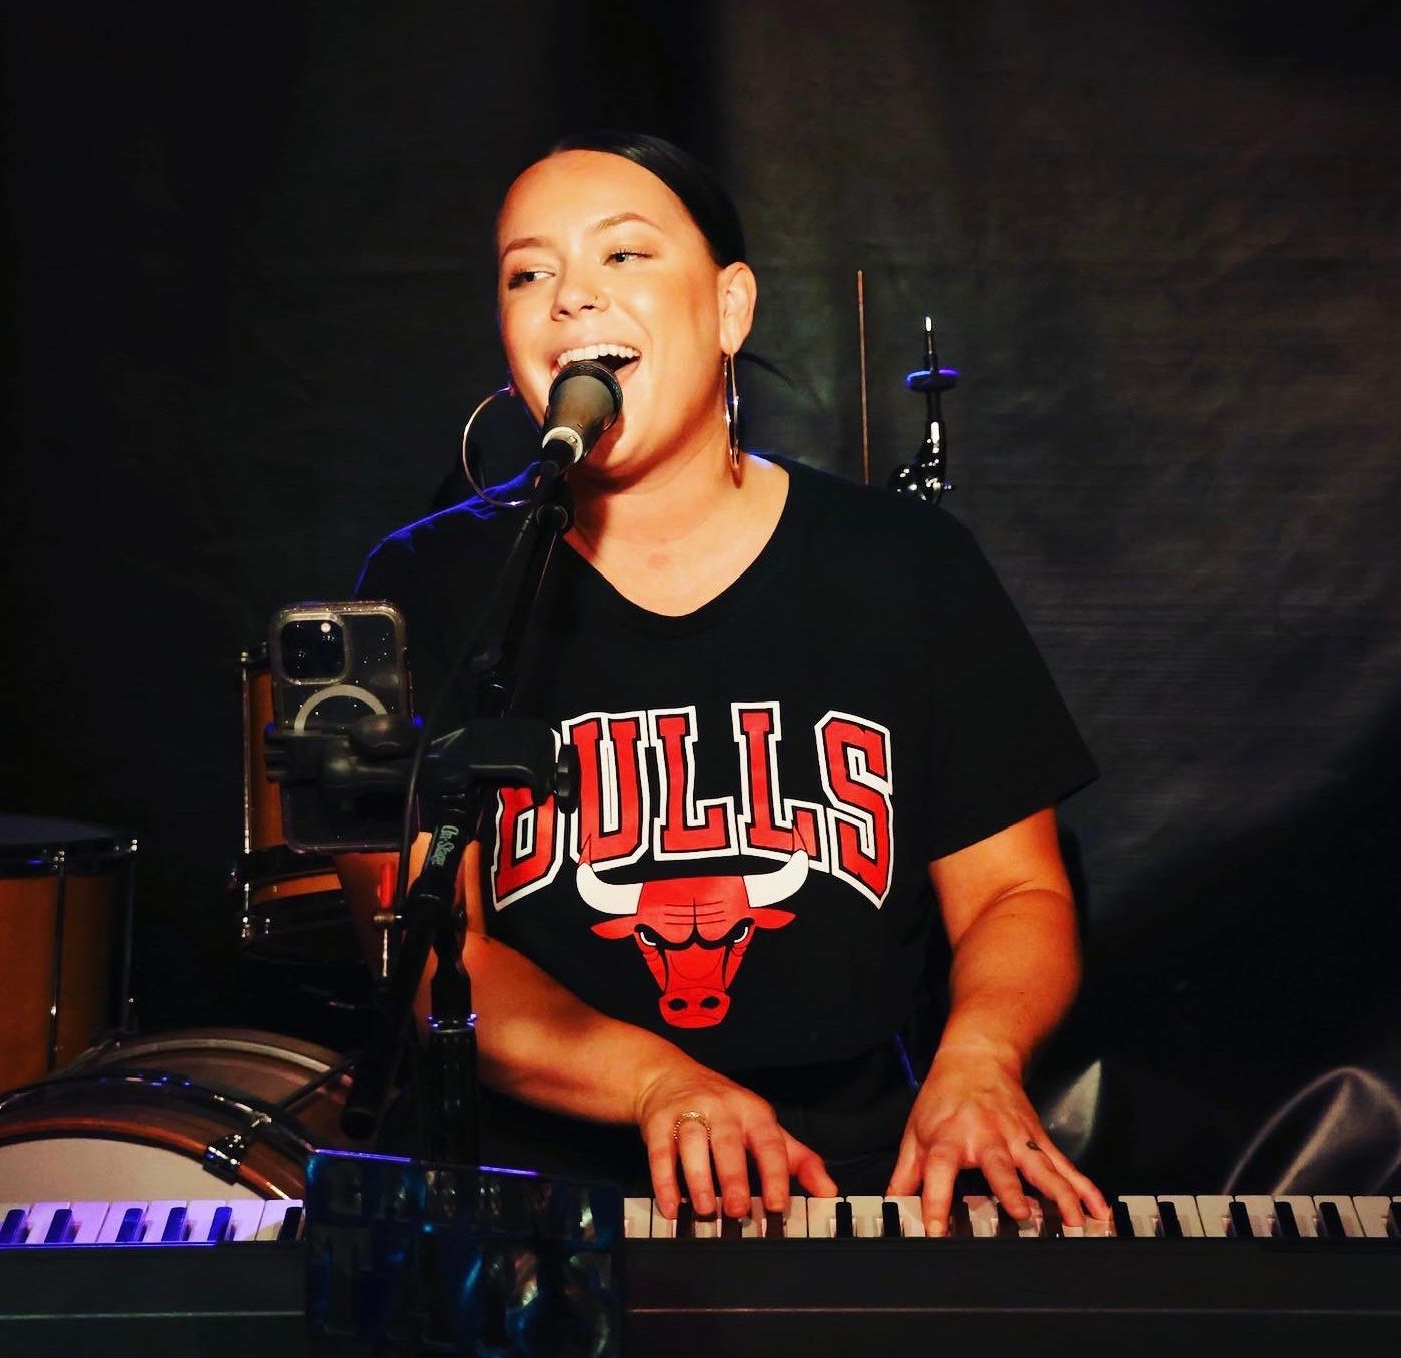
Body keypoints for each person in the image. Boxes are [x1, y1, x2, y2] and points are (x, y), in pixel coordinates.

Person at [338, 130, 1108, 1238]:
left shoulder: (906, 565)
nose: (571, 298)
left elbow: (1014, 895)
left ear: (731, 307)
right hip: (528, 1204)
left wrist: (980, 1061)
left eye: (624, 254)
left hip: (854, 1186)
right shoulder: (428, 582)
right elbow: (427, 951)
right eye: (528, 272)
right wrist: (658, 1081)